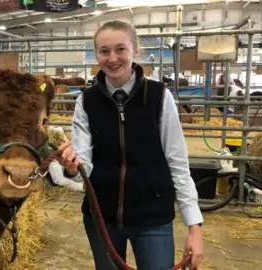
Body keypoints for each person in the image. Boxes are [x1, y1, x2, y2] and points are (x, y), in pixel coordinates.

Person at [56, 20, 204, 270]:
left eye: (120, 49)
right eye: (104, 51)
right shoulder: (86, 101)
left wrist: (194, 227)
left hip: (152, 219)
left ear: (135, 50)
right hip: (102, 219)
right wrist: (72, 168)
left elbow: (178, 164)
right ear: (97, 55)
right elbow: (84, 165)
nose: (112, 58)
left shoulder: (159, 97)